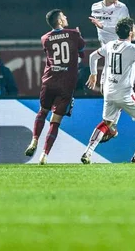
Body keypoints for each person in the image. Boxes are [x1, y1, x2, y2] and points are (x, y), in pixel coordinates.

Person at [81, 17, 135, 164]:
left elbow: (92, 56)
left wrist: (93, 74)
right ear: (129, 32)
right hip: (125, 94)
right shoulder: (132, 48)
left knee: (107, 123)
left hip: (109, 93)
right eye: (134, 28)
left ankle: (87, 153)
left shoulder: (110, 45)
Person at [24, 10, 85, 164]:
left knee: (42, 111)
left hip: (49, 81)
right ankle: (44, 155)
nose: (66, 17)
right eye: (64, 16)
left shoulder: (45, 38)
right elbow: (81, 54)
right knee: (55, 121)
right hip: (66, 84)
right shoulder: (74, 34)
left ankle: (34, 140)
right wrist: (79, 36)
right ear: (59, 21)